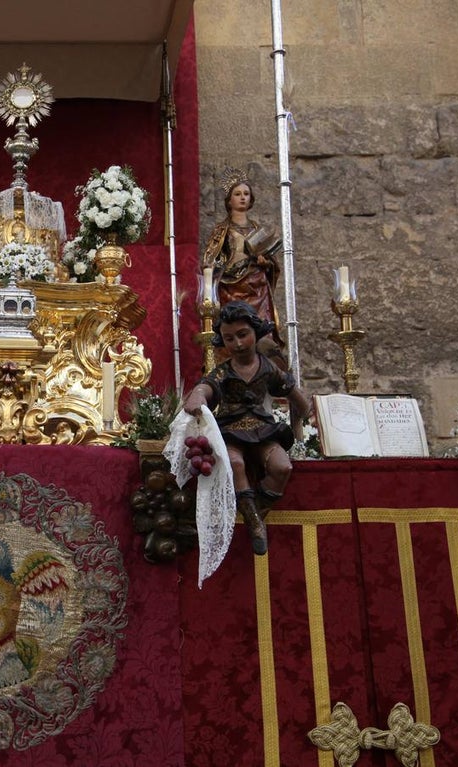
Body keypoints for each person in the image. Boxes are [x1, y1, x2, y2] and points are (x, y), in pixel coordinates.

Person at [182, 301, 310, 555]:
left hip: (263, 430)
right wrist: (198, 395)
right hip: (231, 430)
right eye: (229, 339)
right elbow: (206, 386)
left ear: (256, 332)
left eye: (243, 335)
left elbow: (293, 392)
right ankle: (255, 523)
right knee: (235, 463)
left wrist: (305, 407)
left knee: (282, 466)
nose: (238, 344)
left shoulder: (268, 368)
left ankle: (254, 513)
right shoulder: (224, 372)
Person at [201, 169, 284, 359]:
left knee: (261, 330)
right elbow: (210, 260)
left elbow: (272, 263)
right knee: (234, 327)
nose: (242, 198)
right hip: (231, 288)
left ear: (251, 199)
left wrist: (266, 262)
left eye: (246, 194)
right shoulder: (222, 231)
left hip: (258, 288)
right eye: (237, 194)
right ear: (229, 200)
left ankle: (264, 362)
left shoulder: (257, 230)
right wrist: (221, 269)